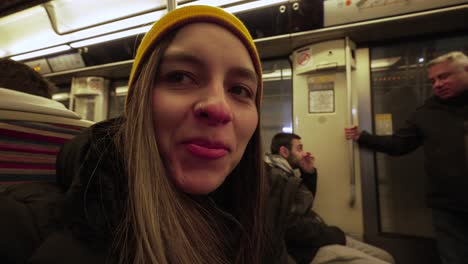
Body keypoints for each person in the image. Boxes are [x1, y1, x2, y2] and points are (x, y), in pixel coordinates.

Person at [27, 5, 277, 264]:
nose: (218, 108)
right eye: (180, 77)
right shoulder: (47, 236)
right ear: (138, 104)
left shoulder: (272, 212)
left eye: (239, 90)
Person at [345, 51, 468, 264]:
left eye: (444, 76)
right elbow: (398, 144)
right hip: (448, 204)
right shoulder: (427, 112)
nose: (437, 84)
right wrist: (362, 137)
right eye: (433, 80)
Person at [266, 132, 395, 264]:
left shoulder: (285, 173)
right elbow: (290, 228)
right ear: (284, 152)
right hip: (307, 250)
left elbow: (302, 207)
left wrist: (308, 173)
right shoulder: (275, 178)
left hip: (316, 237)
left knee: (386, 257)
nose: (304, 154)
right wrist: (329, 234)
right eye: (299, 149)